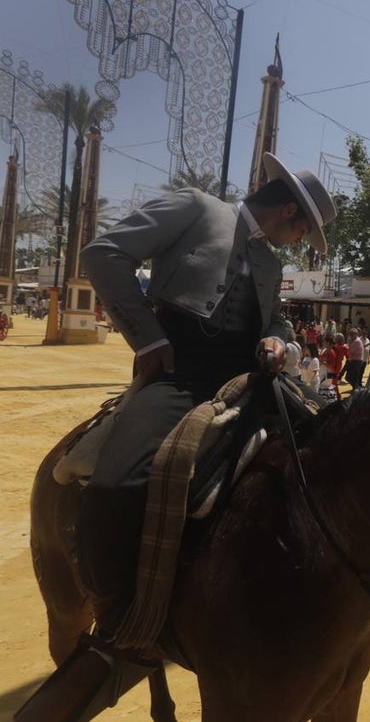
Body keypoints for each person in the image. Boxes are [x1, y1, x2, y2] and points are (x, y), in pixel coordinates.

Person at [76, 153, 337, 627]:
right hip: (180, 372)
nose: (301, 242)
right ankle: (114, 611)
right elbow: (103, 253)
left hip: (253, 378)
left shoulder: (271, 265)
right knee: (117, 483)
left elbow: (273, 318)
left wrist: (280, 339)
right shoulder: (195, 207)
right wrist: (149, 337)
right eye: (304, 232)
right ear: (290, 211)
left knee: (337, 446)